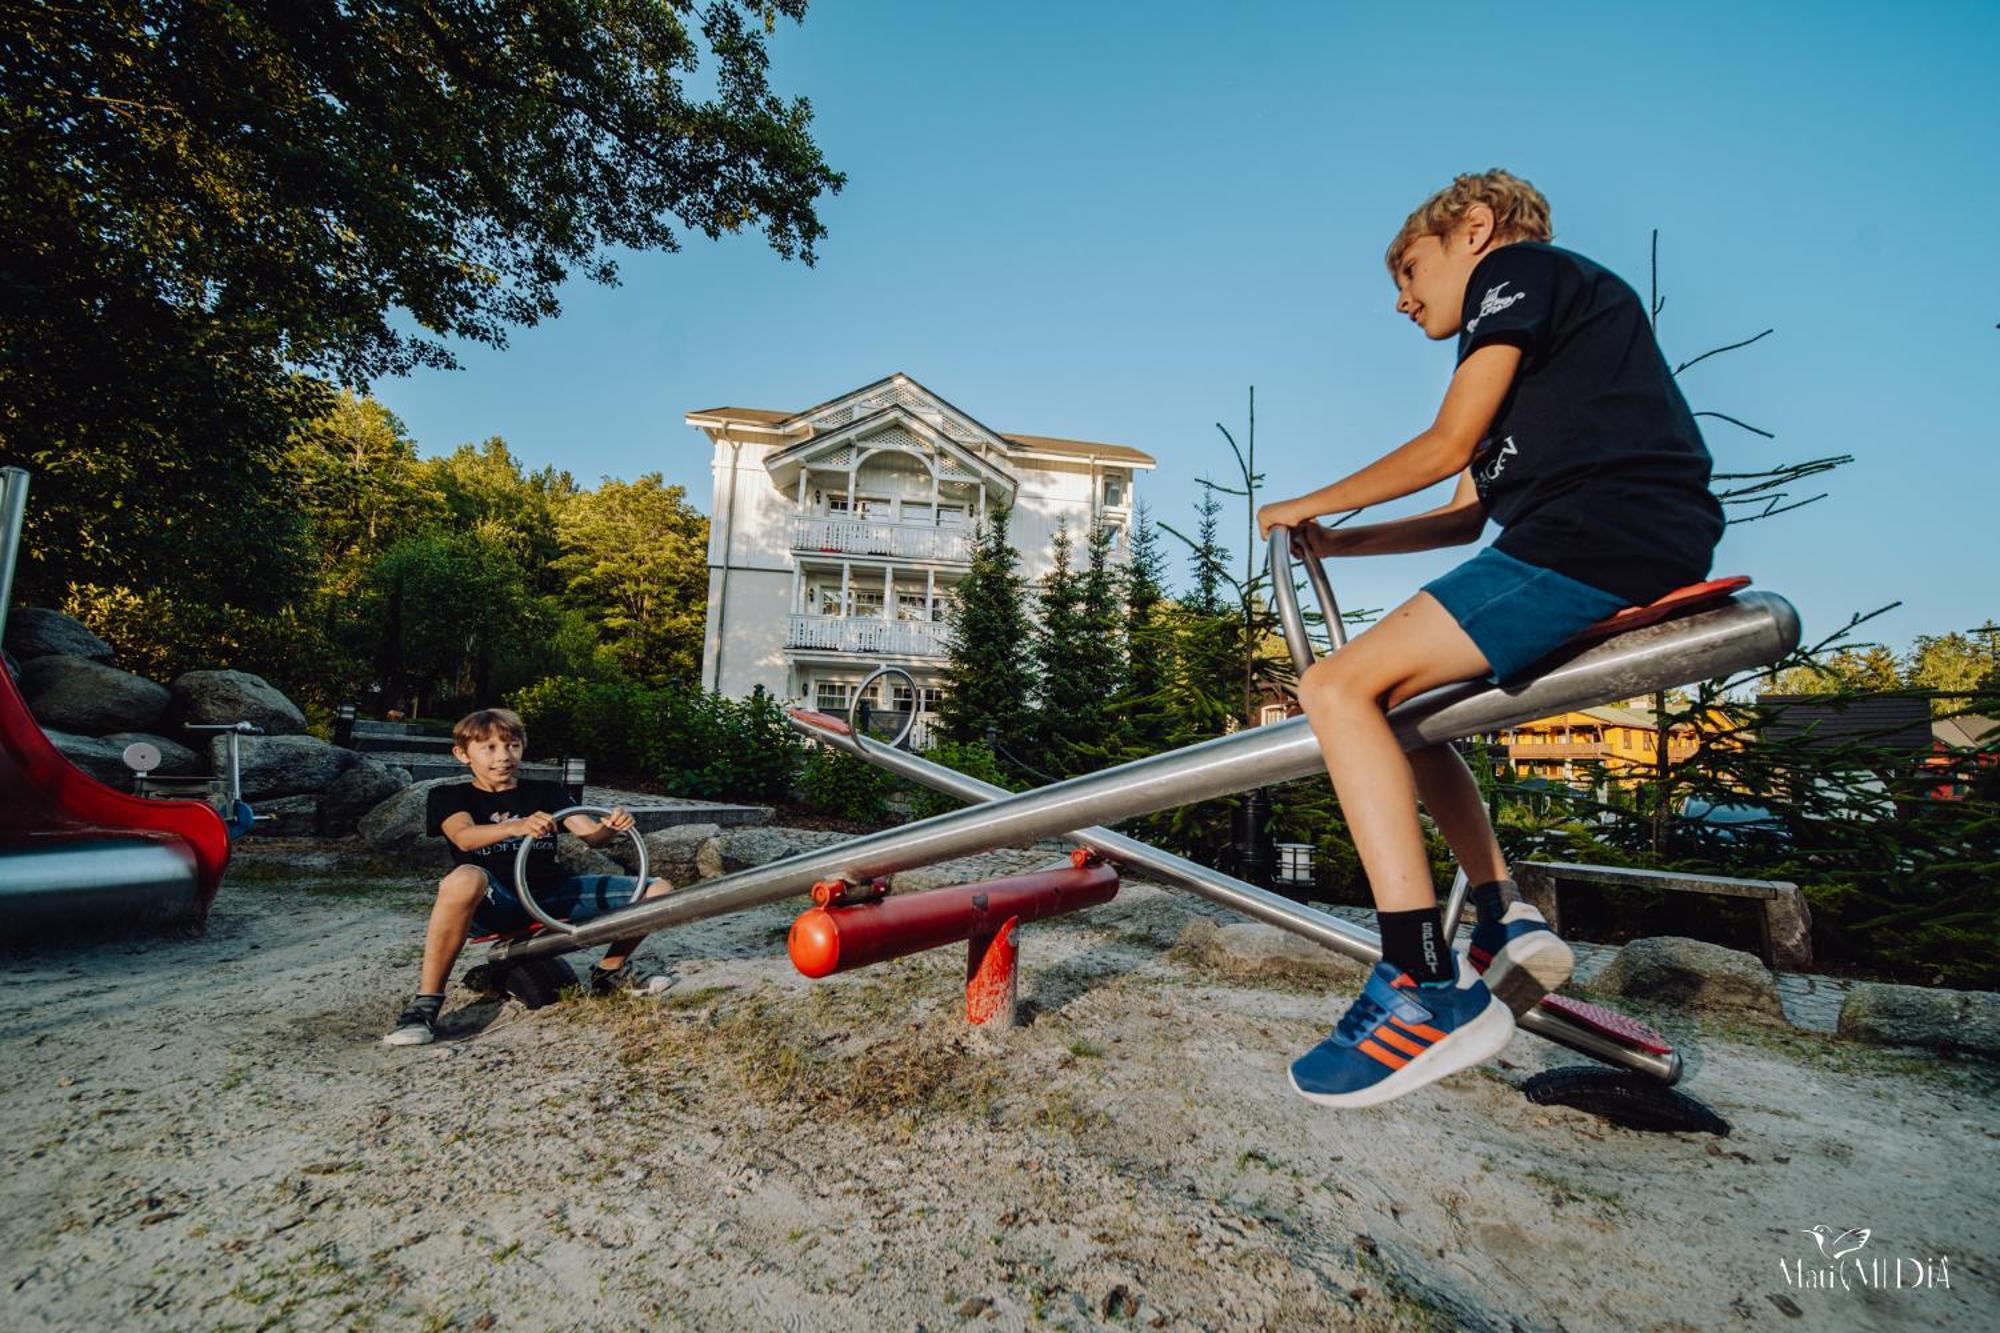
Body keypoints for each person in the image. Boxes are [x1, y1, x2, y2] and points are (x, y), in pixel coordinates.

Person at [1256, 169, 1724, 1108]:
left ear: (1474, 229)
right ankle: (1502, 914)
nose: (1400, 297)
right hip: (1594, 528)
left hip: (1600, 529)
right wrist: (1341, 540)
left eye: (1410, 268)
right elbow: (1463, 513)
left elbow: (1441, 443)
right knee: (1408, 708)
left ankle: (1418, 982)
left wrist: (1307, 500)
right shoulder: (1532, 354)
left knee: (1336, 689)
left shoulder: (1524, 274)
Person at [383, 707, 675, 1046]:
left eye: (512, 746)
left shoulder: (545, 792)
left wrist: (611, 828)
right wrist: (515, 826)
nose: (503, 757)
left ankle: (609, 971)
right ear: (462, 754)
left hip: (549, 894)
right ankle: (425, 1005)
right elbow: (464, 836)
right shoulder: (449, 796)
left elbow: (592, 837)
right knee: (464, 877)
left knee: (658, 890)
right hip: (495, 900)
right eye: (489, 748)